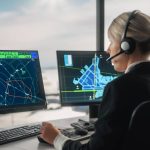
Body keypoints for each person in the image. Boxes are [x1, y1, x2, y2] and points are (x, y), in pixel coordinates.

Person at [39, 10, 150, 150]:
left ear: (126, 45)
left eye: (111, 42)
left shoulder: (119, 88)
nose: (108, 49)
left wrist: (56, 138)